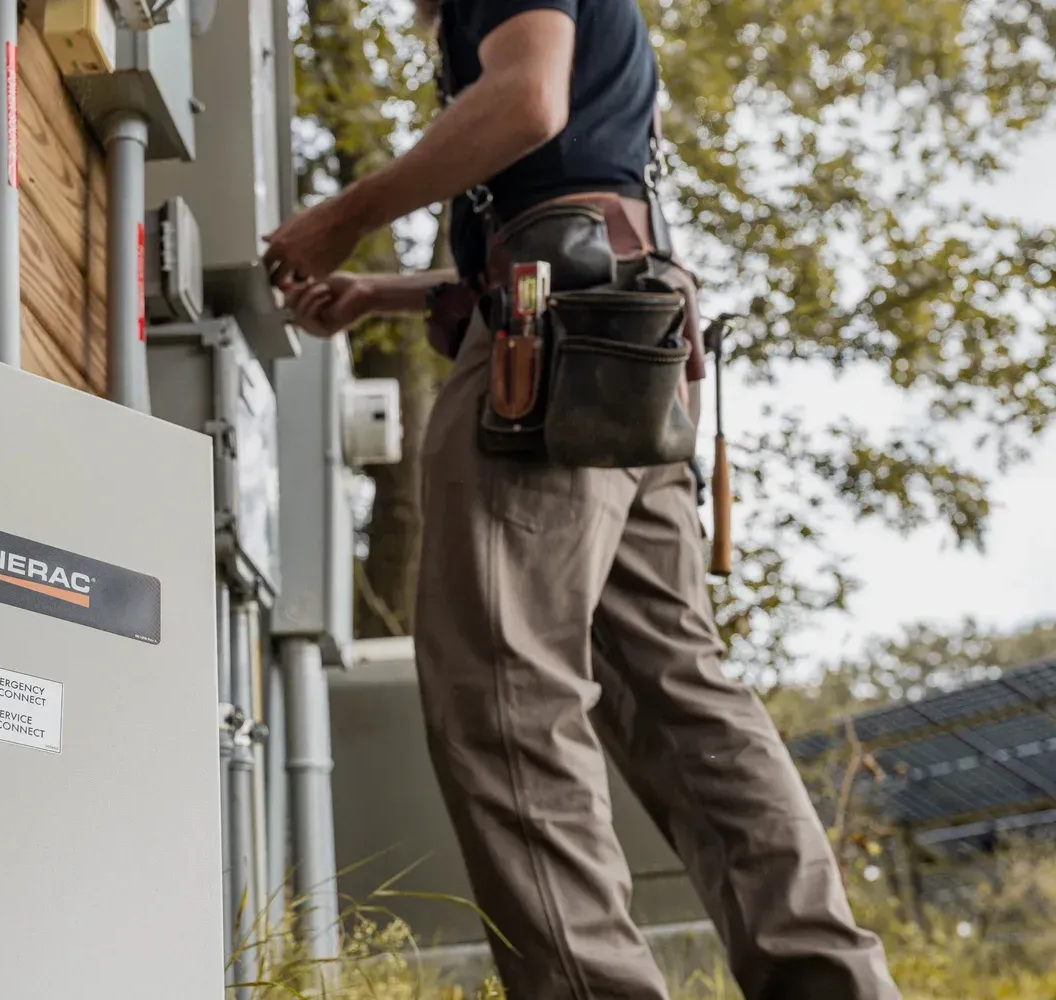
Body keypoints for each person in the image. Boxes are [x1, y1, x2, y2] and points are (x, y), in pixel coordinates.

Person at [263, 0, 902, 997]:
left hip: (548, 352)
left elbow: (525, 102)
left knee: (505, 694)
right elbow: (576, 196)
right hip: (627, 346)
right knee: (683, 698)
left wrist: (339, 217)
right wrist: (380, 291)